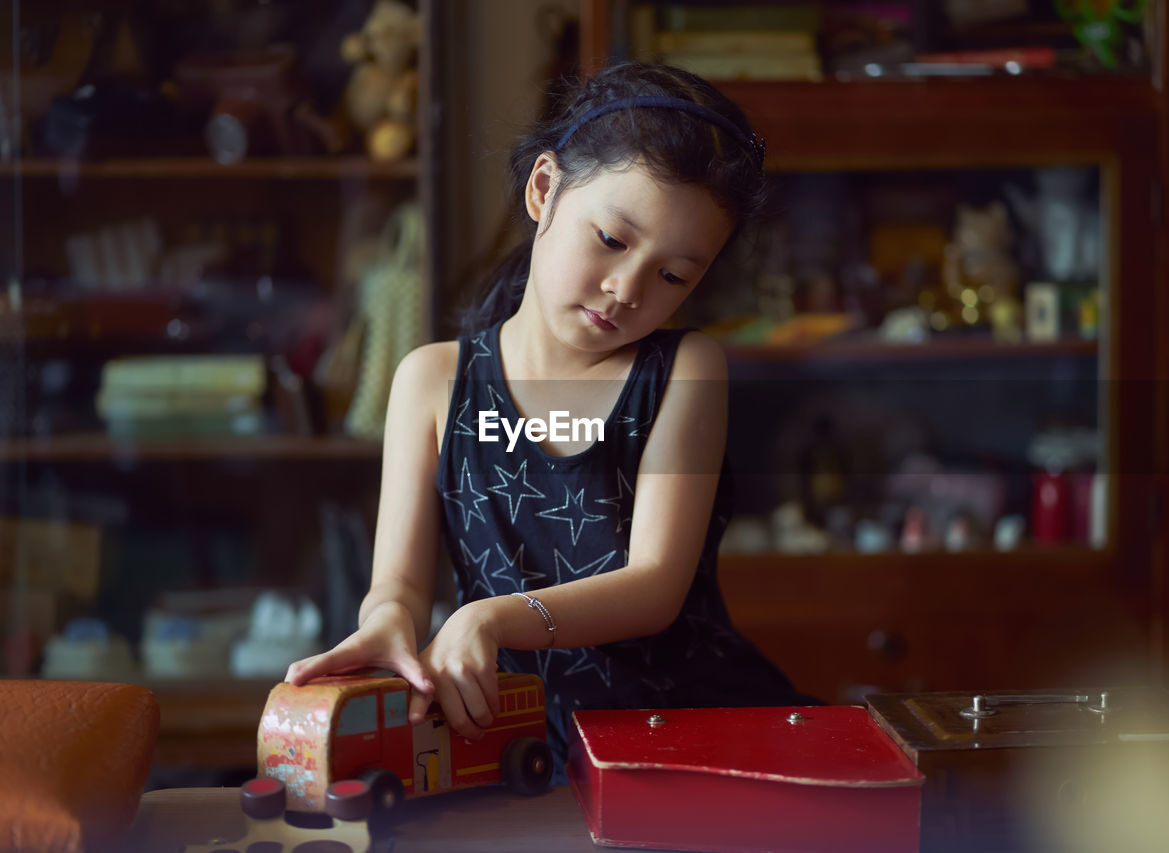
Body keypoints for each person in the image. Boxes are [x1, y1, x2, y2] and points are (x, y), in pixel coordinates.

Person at [286, 61, 809, 776]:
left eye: (673, 275)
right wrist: (386, 623)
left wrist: (490, 616)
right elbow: (400, 587)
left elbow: (656, 585)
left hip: (682, 737)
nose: (627, 289)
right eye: (613, 240)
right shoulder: (434, 382)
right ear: (543, 190)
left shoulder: (684, 370)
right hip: (509, 740)